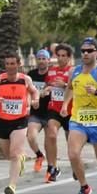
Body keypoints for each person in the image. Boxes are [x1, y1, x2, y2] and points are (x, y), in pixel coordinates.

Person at [61, 37, 97, 194]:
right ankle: (84, 187)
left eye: (89, 50)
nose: (85, 53)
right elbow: (69, 88)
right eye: (83, 50)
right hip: (78, 120)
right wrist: (64, 105)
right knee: (73, 153)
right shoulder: (74, 72)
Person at [0, 52, 41, 194]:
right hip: (3, 121)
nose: (10, 66)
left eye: (12, 63)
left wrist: (35, 100)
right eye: (7, 64)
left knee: (15, 153)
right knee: (8, 155)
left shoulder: (25, 80)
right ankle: (21, 159)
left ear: (18, 64)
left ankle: (12, 186)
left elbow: (35, 92)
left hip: (20, 120)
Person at [44, 43, 73, 182]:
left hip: (69, 110)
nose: (60, 58)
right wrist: (46, 89)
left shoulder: (73, 71)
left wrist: (65, 85)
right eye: (58, 55)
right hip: (54, 109)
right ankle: (52, 167)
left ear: (69, 57)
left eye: (63, 56)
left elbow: (77, 89)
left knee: (71, 141)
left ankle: (75, 165)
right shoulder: (51, 71)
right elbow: (47, 85)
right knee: (51, 134)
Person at [25, 49, 51, 173]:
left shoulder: (52, 74)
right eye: (39, 58)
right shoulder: (31, 74)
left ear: (48, 60)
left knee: (49, 142)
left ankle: (51, 168)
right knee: (31, 136)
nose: (41, 61)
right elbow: (26, 91)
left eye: (43, 59)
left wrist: (49, 90)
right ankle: (39, 155)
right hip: (35, 112)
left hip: (50, 112)